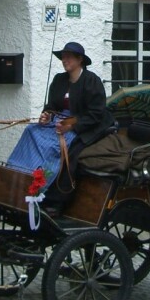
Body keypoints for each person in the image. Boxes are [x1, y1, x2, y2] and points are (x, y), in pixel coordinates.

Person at [39, 41, 116, 215]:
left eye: (68, 57)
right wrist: (46, 116)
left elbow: (96, 113)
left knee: (68, 150)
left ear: (79, 59)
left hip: (88, 125)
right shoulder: (59, 80)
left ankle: (58, 199)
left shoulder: (92, 81)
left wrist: (73, 125)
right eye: (63, 57)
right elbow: (52, 106)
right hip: (60, 123)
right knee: (33, 133)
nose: (64, 60)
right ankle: (30, 184)